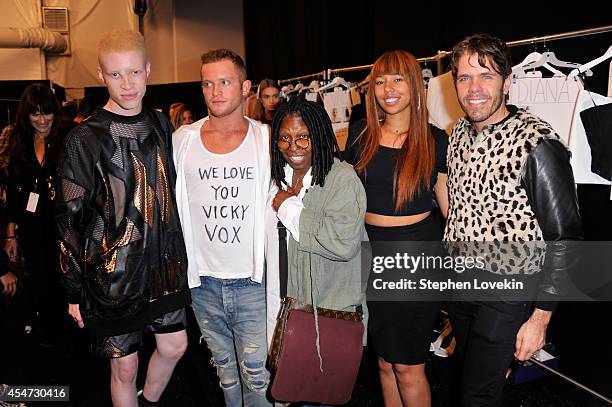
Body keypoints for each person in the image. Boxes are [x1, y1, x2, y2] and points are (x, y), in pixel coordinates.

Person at [444, 33, 582, 406]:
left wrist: (540, 320)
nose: (474, 88)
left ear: (507, 82)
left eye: (486, 76)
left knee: (476, 397)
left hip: (507, 292)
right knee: (471, 386)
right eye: (464, 77)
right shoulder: (457, 133)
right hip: (460, 287)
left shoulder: (537, 143)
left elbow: (566, 239)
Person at [55, 29, 191, 407]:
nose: (127, 84)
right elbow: (69, 220)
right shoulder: (84, 139)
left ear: (148, 70)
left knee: (176, 345)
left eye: (134, 72)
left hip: (164, 267)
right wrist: (72, 291)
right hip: (110, 277)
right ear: (101, 76)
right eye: (115, 75)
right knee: (125, 369)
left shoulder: (162, 125)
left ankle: (147, 402)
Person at [344, 50, 449, 407]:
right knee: (385, 363)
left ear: (415, 86)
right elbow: (344, 201)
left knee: (408, 366)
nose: (387, 88)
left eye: (397, 79)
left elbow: (450, 210)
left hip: (417, 258)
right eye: (380, 80)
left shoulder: (436, 141)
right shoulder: (359, 135)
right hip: (369, 256)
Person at [173, 49, 272, 406]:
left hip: (253, 283)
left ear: (246, 87)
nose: (215, 91)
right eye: (208, 83)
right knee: (225, 372)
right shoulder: (182, 141)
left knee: (258, 377)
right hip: (202, 284)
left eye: (225, 82)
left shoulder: (267, 140)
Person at [266, 97, 367, 404]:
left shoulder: (342, 179)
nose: (293, 146)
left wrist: (289, 207)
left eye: (303, 137)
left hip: (330, 318)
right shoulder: (277, 176)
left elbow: (342, 242)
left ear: (320, 136)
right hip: (289, 313)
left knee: (318, 399)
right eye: (284, 137)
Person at [4, 83, 69, 345]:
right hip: (32, 226)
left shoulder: (68, 137)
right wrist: (10, 234)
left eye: (47, 112)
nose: (42, 120)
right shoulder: (20, 142)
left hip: (64, 226)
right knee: (39, 281)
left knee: (65, 282)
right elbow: (14, 192)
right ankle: (49, 333)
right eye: (35, 113)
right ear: (26, 115)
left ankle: (69, 333)